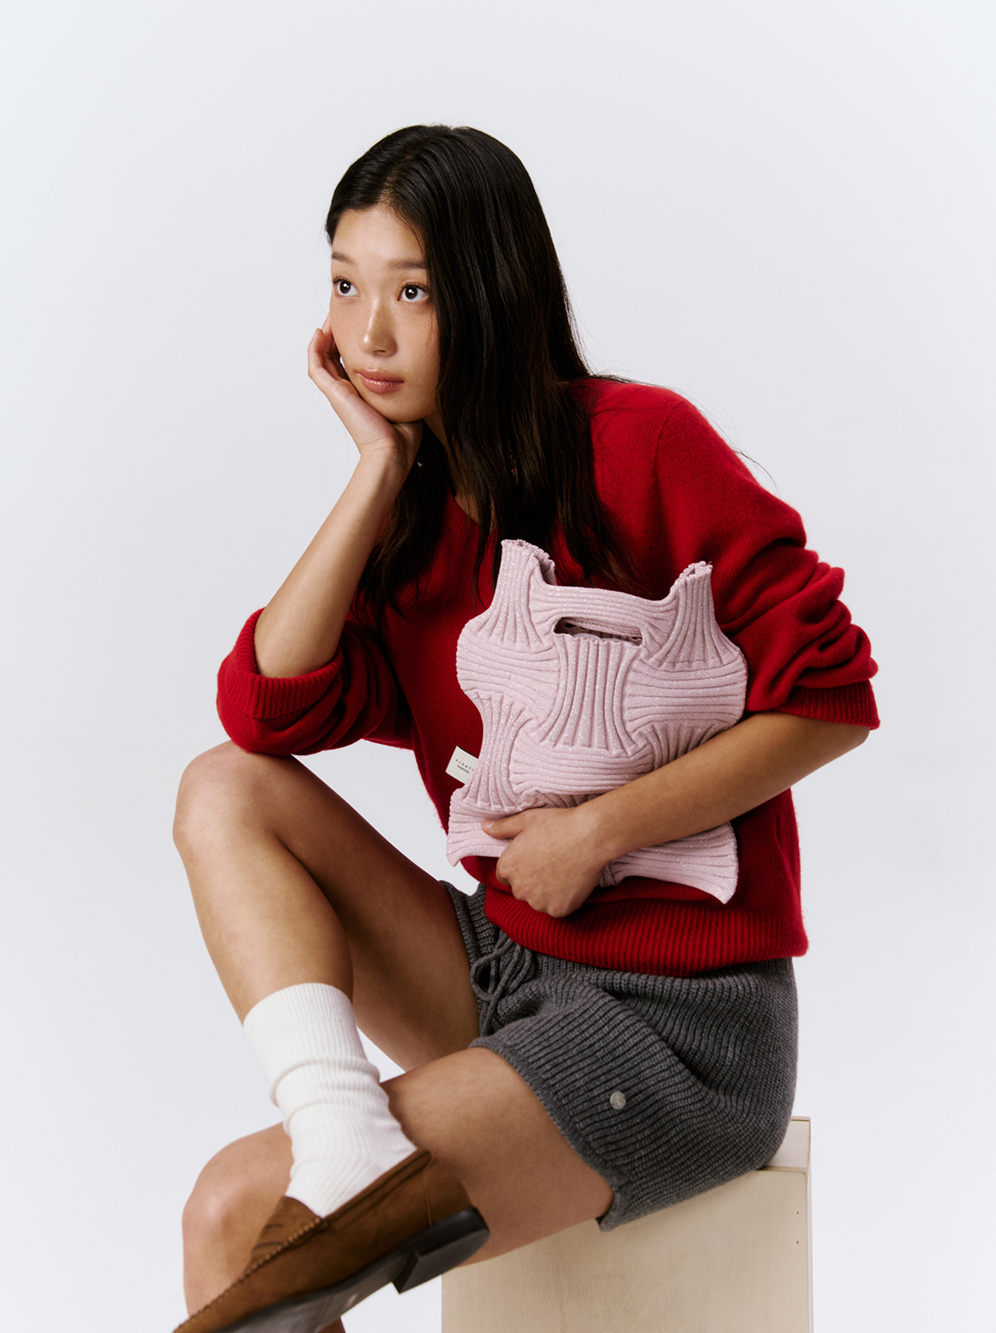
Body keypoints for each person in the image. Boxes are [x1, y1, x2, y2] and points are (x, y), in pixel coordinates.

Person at [172, 124, 878, 1333]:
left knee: (234, 1210)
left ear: (491, 292)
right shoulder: (409, 524)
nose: (369, 333)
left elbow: (832, 697)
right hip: (508, 973)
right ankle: (340, 1128)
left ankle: (346, 1164)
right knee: (223, 784)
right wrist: (374, 472)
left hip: (678, 1023)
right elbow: (264, 712)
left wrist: (600, 831)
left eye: (412, 292)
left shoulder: (639, 445)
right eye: (343, 285)